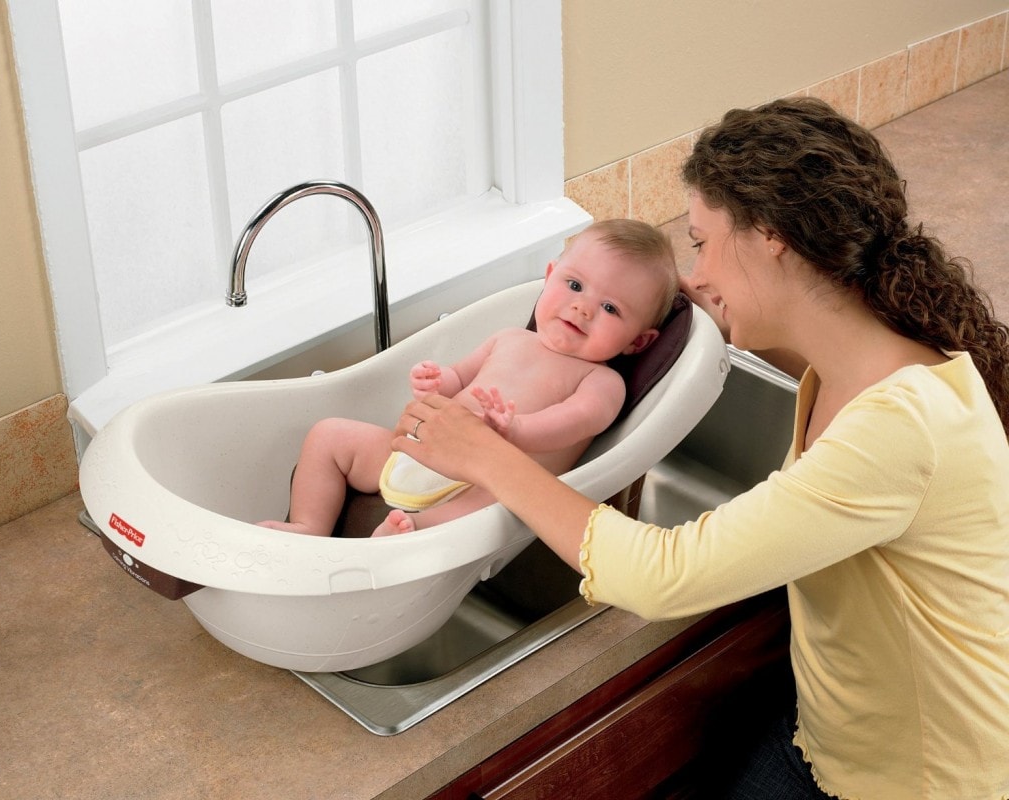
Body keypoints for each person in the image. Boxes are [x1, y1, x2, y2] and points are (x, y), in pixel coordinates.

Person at [390, 97, 1009, 799]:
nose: (699, 273)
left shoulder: (898, 429)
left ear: (771, 238)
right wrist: (660, 302)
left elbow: (664, 577)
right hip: (833, 738)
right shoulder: (871, 352)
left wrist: (485, 455)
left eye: (702, 243)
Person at [258, 218, 678, 538]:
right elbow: (459, 378)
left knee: (488, 512)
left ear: (638, 342)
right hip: (420, 450)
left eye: (610, 309)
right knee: (328, 435)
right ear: (549, 276)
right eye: (574, 285)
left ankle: (408, 533)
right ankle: (308, 526)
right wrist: (435, 381)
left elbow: (574, 422)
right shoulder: (510, 338)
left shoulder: (602, 382)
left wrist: (515, 430)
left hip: (484, 482)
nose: (582, 308)